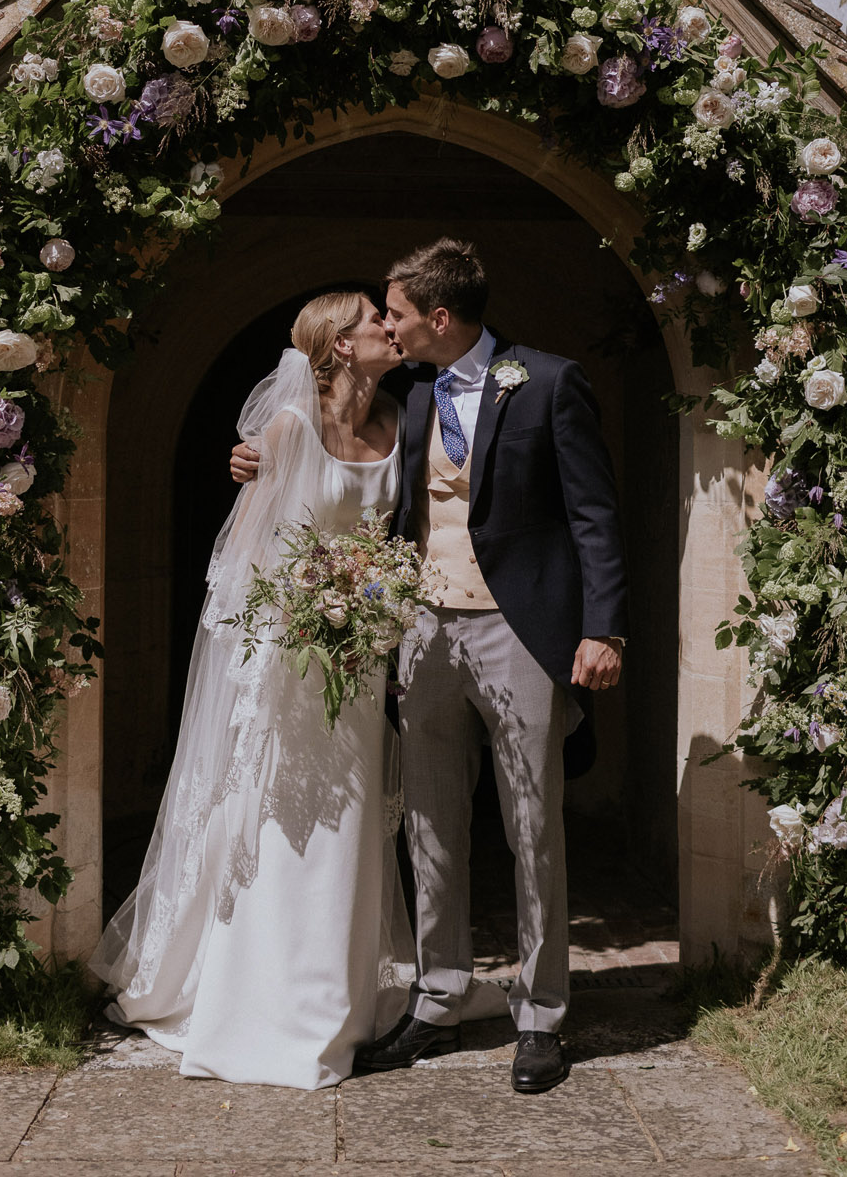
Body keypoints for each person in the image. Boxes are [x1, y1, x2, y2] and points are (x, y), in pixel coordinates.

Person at [232, 238, 629, 1095]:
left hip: (520, 630)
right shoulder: (407, 395)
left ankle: (540, 1013)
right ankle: (440, 993)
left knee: (533, 823)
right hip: (420, 631)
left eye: (400, 313)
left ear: (439, 317)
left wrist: (604, 629)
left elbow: (595, 514)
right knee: (430, 821)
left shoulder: (549, 382)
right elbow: (334, 437)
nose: (391, 326)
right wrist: (261, 458)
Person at [90, 292, 411, 1089]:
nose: (389, 326)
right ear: (337, 344)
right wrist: (301, 612)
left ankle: (340, 988)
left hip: (365, 652)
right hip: (296, 651)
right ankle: (265, 998)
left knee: (357, 815)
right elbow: (241, 555)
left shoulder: (404, 418)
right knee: (280, 819)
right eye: (374, 318)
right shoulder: (289, 430)